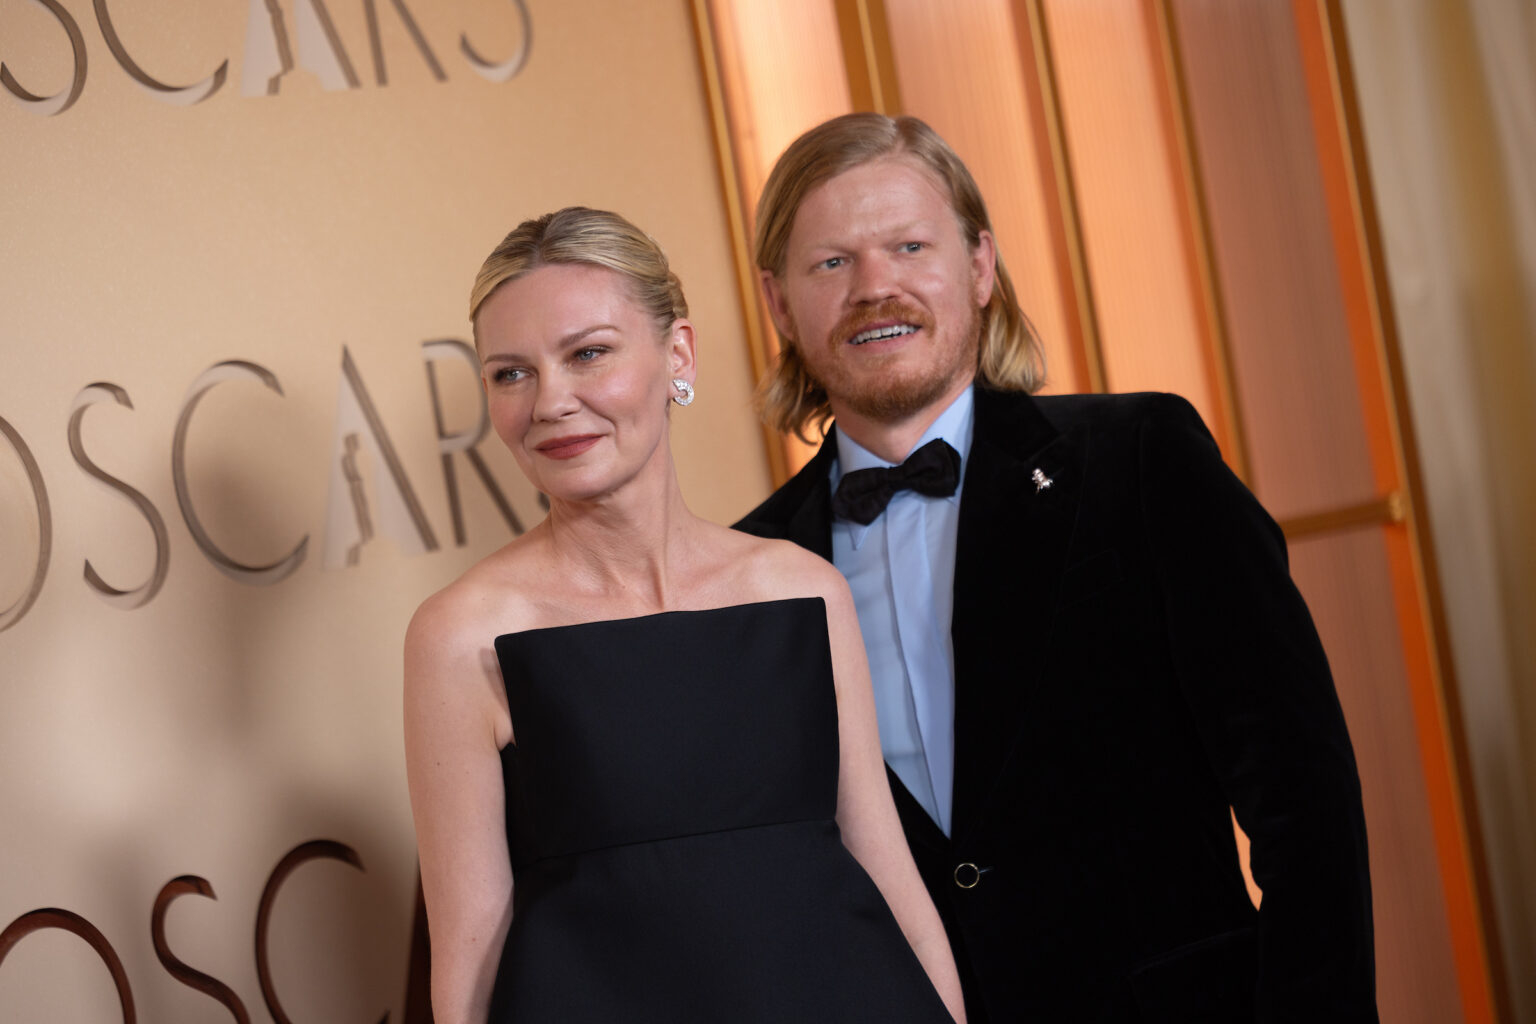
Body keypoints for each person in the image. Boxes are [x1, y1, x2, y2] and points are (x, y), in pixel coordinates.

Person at [736, 113, 1378, 1023]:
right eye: (832, 263)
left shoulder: (1143, 458)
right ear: (778, 303)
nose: (875, 288)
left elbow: (1303, 795)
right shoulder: (753, 569)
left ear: (981, 267)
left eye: (909, 246)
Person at [403, 206, 967, 1023]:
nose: (551, 402)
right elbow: (471, 953)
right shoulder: (462, 635)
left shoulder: (800, 590)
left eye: (588, 353)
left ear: (678, 354)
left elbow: (891, 883)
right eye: (510, 373)